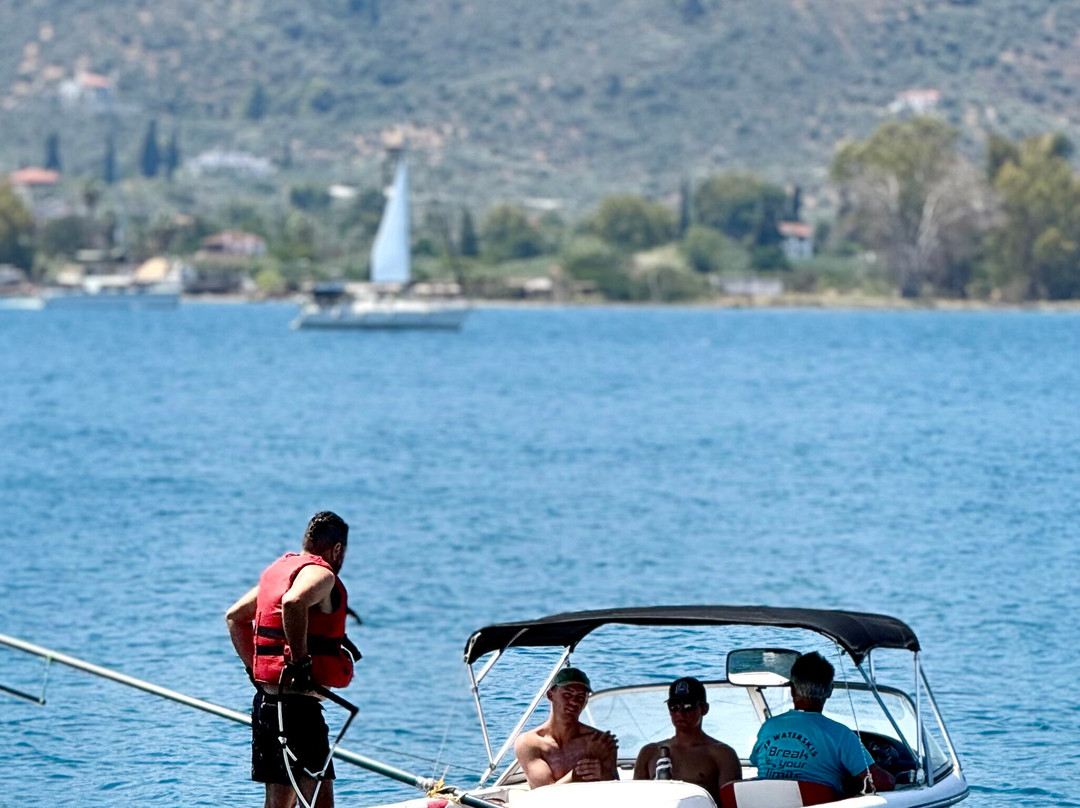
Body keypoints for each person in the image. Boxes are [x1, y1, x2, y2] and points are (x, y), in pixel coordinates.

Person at [226, 511, 357, 808]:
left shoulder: (280, 572)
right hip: (299, 711)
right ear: (337, 549)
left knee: (278, 802)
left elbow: (235, 618)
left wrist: (254, 668)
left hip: (268, 706)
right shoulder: (321, 574)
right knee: (317, 803)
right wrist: (300, 663)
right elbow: (293, 602)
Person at [750, 652, 894, 798]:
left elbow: (756, 761)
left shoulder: (768, 727)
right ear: (830, 691)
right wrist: (897, 777)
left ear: (792, 690)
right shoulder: (841, 735)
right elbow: (881, 783)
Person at [634, 677, 742, 803]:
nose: (680, 712)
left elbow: (730, 804)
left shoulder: (723, 755)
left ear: (704, 708)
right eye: (674, 706)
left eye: (687, 706)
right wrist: (608, 766)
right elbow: (634, 801)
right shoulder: (648, 752)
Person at [514, 667, 619, 788]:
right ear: (550, 695)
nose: (574, 702)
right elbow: (543, 795)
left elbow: (616, 787)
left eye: (580, 697)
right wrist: (576, 774)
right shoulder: (529, 743)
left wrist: (604, 774)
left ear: (586, 701)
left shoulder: (600, 741)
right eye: (567, 694)